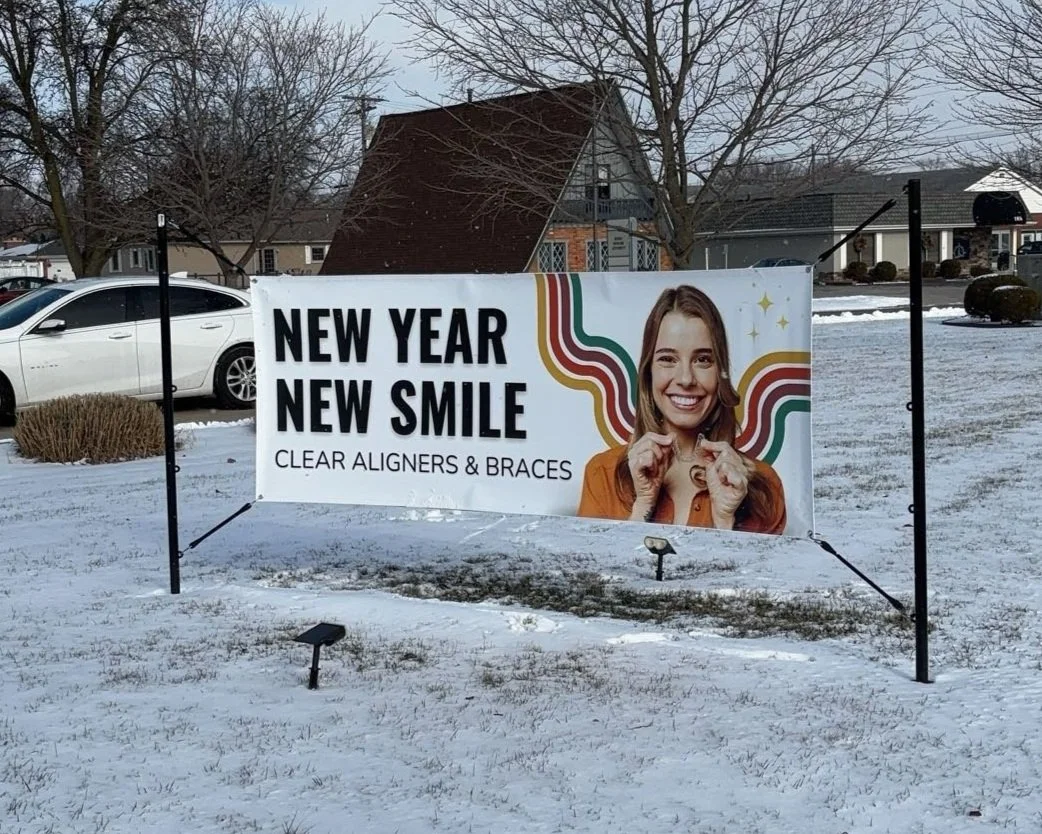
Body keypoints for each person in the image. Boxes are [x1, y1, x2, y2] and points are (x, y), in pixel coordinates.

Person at [577, 284, 786, 535]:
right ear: (648, 372)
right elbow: (598, 572)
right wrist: (643, 505)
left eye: (703, 360)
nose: (686, 379)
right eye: (668, 359)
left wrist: (724, 521)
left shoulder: (763, 486)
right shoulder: (603, 474)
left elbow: (752, 575)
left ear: (720, 374)